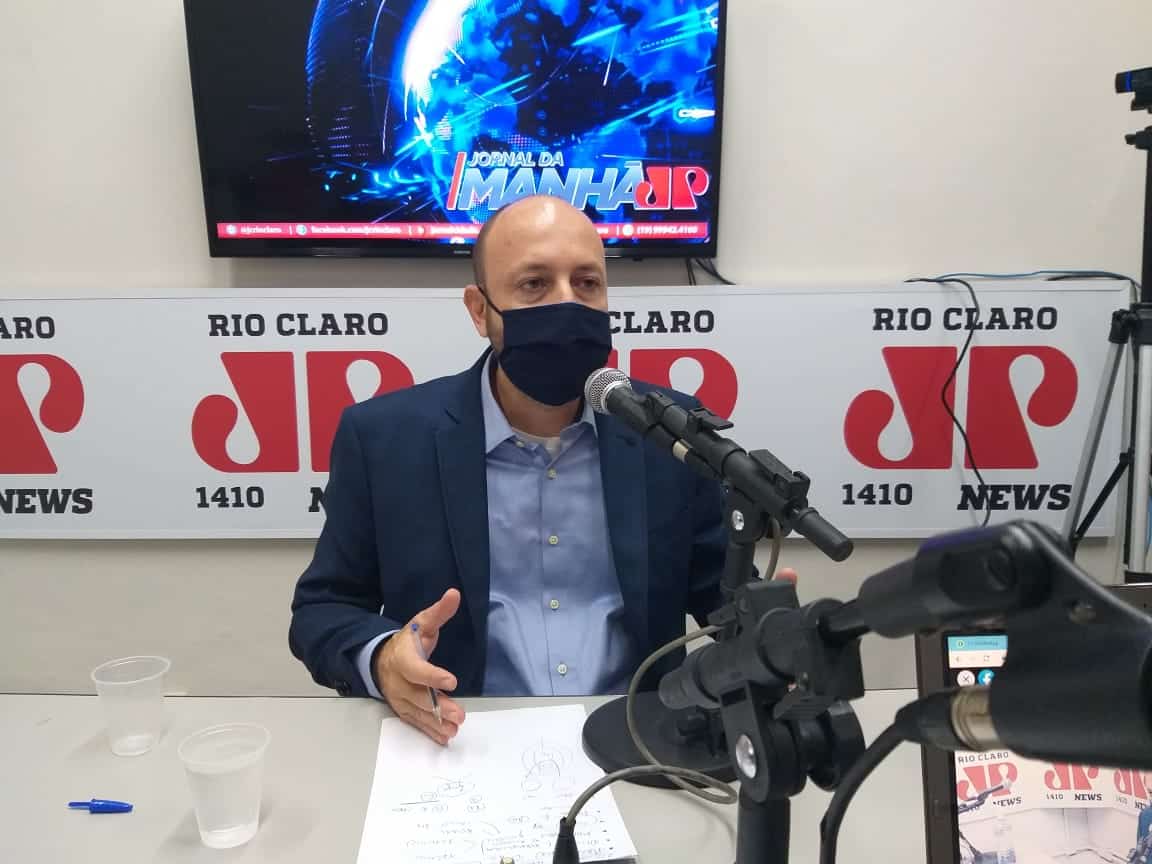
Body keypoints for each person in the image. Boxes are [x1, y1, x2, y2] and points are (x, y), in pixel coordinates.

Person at [289, 195, 782, 744]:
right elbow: (323, 609)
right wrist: (382, 658)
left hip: (633, 741)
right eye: (534, 284)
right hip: (459, 737)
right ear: (480, 310)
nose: (566, 303)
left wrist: (766, 627)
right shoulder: (385, 439)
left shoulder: (669, 435)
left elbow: (718, 596)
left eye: (587, 283)